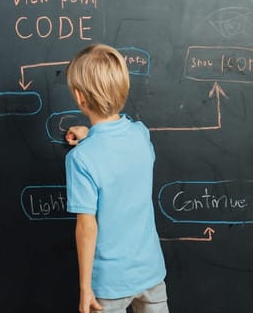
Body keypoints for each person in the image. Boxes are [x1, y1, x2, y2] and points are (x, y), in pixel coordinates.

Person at [64, 44, 168, 313]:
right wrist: (91, 135)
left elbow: (87, 228)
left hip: (109, 283)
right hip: (150, 271)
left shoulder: (81, 159)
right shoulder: (141, 134)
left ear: (79, 96)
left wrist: (85, 287)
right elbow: (118, 145)